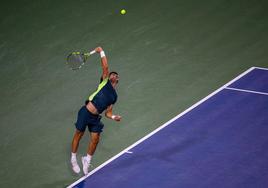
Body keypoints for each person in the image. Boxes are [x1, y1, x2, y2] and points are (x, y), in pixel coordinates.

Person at [70, 46, 121, 175]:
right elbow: (105, 68)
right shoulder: (104, 82)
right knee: (79, 135)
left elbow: (107, 113)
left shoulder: (114, 97)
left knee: (95, 139)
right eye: (112, 74)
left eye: (116, 75)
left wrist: (114, 117)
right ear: (108, 77)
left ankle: (87, 160)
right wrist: (101, 52)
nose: (113, 75)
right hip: (86, 112)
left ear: (118, 80)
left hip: (95, 118)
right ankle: (73, 158)